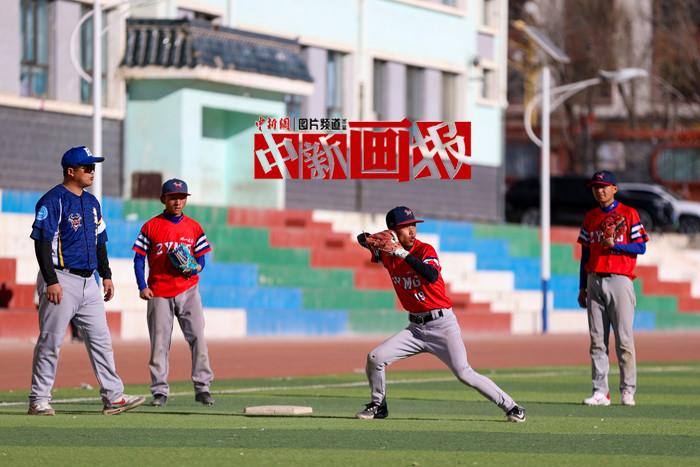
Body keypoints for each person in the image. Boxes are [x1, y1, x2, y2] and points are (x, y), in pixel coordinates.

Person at [355, 206, 526, 422]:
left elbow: (431, 275)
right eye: (405, 227)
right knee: (375, 358)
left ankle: (512, 407)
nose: (412, 230)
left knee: (464, 373)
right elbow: (362, 239)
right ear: (393, 231)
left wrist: (401, 252)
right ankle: (378, 405)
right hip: (415, 330)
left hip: (442, 325)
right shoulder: (387, 255)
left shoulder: (424, 250)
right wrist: (369, 239)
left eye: (413, 225)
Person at [28, 146, 146, 416]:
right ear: (71, 171)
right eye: (87, 167)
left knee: (101, 341)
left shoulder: (92, 202)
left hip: (89, 281)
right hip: (60, 277)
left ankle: (113, 396)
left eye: (93, 167)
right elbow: (42, 243)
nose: (92, 172)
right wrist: (50, 280)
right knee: (51, 341)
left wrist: (106, 275)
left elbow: (99, 241)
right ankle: (39, 399)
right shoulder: (52, 200)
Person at [132, 178, 214, 407]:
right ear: (163, 199)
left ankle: (203, 387)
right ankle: (159, 391)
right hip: (159, 292)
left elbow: (201, 259)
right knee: (159, 343)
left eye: (181, 198)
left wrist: (196, 268)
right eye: (173, 198)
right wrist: (142, 286)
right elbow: (138, 259)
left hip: (188, 290)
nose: (177, 202)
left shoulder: (194, 227)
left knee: (198, 338)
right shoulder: (151, 226)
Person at [577, 171, 649, 407]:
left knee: (624, 339)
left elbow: (641, 247)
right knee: (597, 340)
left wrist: (617, 246)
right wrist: (582, 286)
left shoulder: (629, 213)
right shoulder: (590, 216)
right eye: (596, 187)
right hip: (594, 279)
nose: (600, 190)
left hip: (620, 279)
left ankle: (628, 390)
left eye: (604, 186)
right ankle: (600, 391)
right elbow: (585, 254)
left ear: (614, 188)